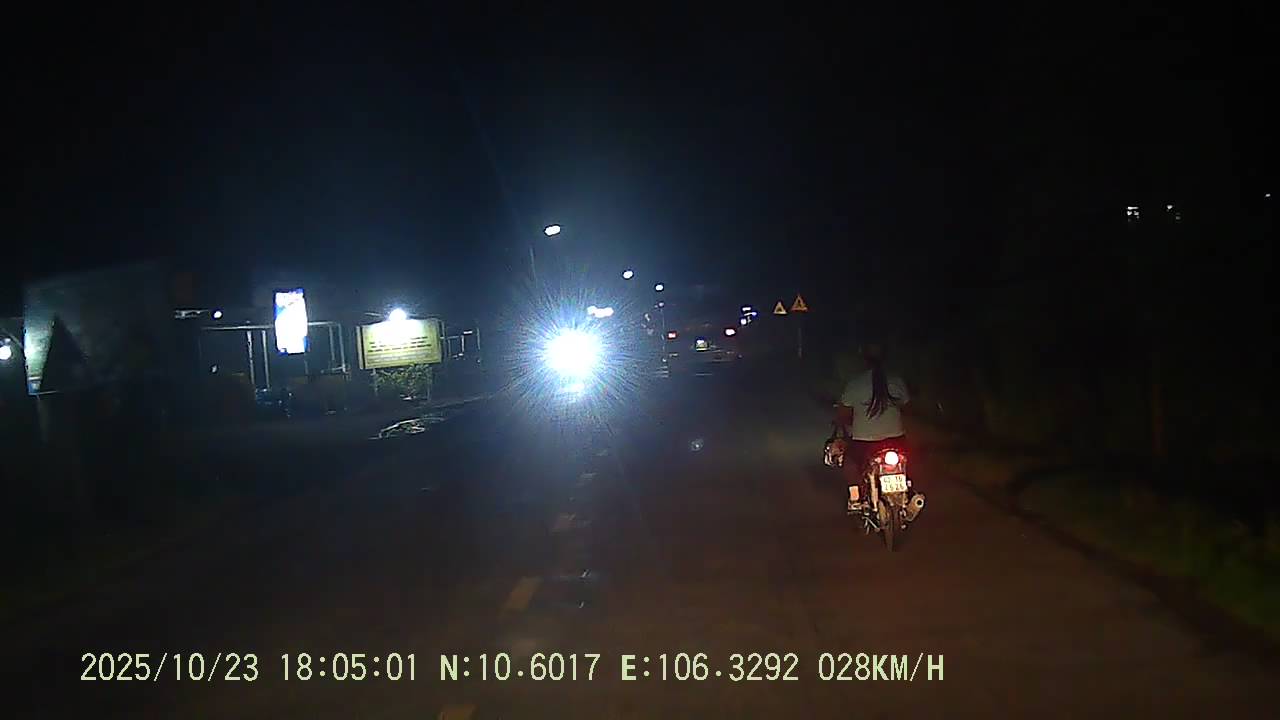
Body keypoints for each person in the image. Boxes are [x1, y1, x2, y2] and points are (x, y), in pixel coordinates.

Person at [836, 342, 910, 513]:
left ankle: (855, 498)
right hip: (896, 440)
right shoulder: (896, 381)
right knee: (906, 461)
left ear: (864, 360)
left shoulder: (855, 384)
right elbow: (907, 406)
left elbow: (843, 412)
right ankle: (909, 490)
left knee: (849, 462)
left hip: (865, 442)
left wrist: (843, 422)